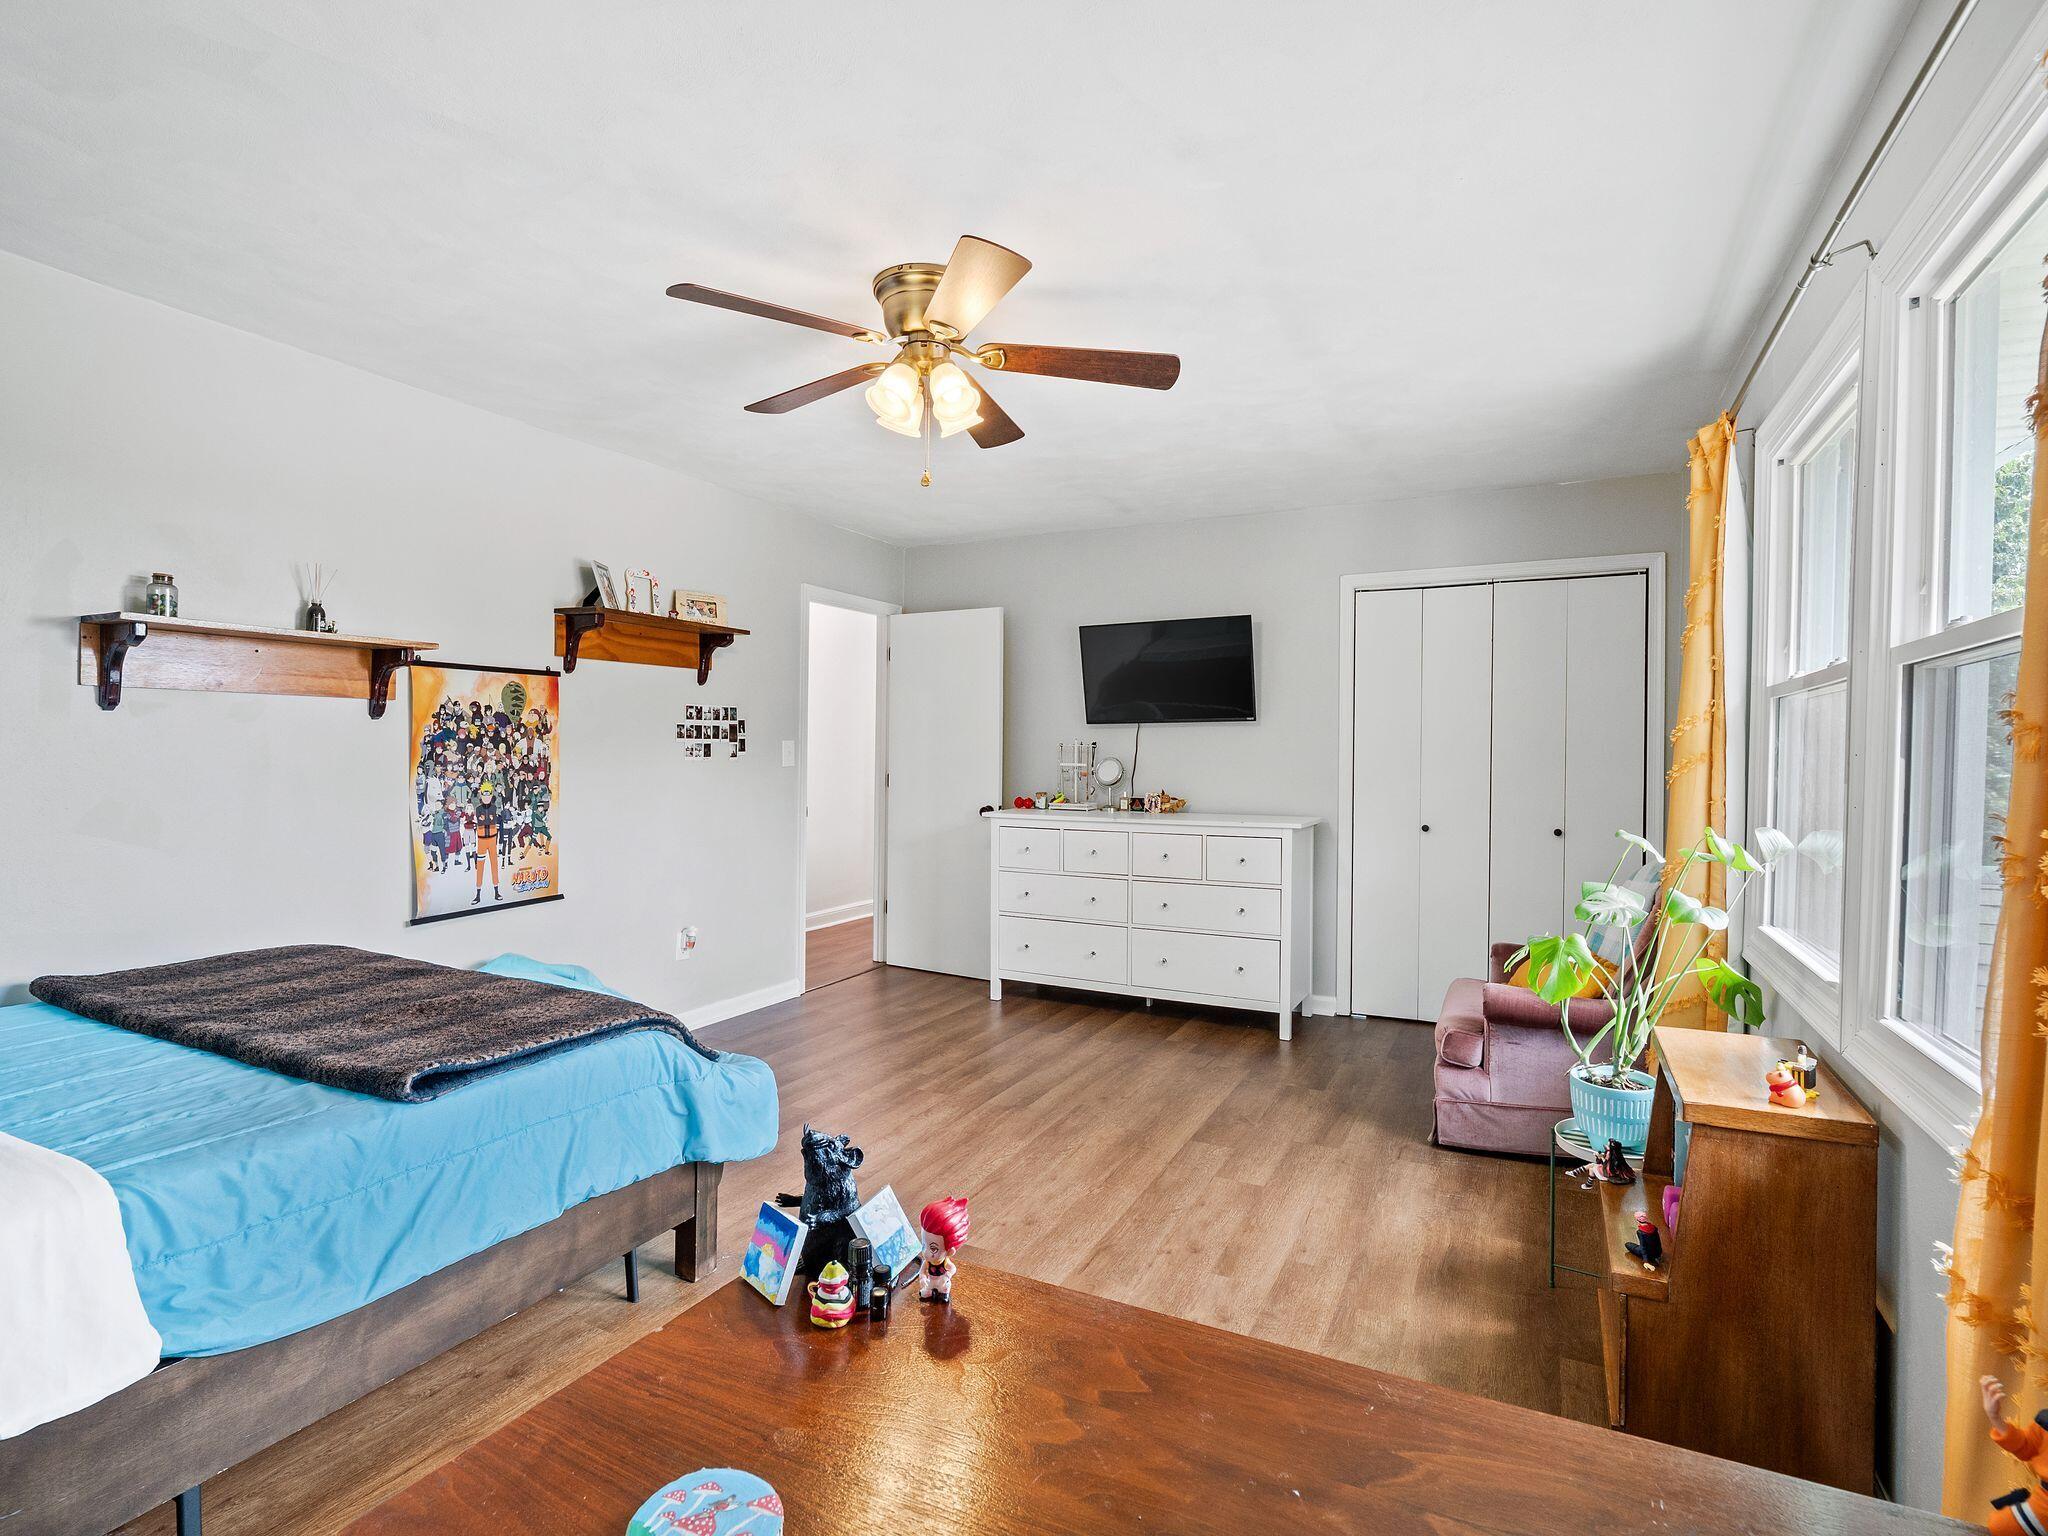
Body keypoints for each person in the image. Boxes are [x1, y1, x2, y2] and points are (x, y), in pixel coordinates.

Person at [1981, 1375, 2048, 1534]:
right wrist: (1995, 1417)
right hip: (2043, 1506)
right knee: (2001, 1524)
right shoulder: (2045, 1423)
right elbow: (2025, 1446)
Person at [917, 1196, 970, 1304]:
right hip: (931, 1281)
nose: (926, 1252)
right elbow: (922, 1271)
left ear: (949, 1251)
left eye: (933, 1249)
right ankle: (929, 1292)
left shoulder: (945, 1262)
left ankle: (944, 1294)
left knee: (944, 1287)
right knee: (928, 1289)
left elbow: (952, 1268)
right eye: (923, 1245)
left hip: (942, 1281)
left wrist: (948, 1275)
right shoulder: (928, 1262)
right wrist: (922, 1278)